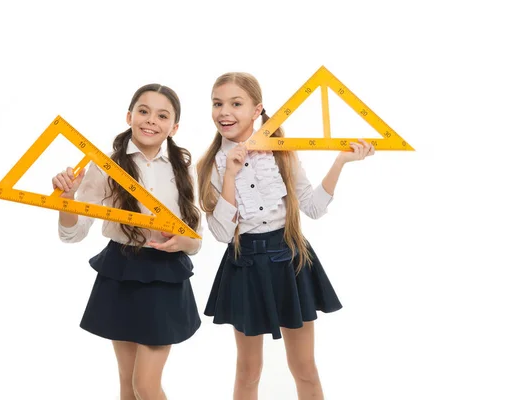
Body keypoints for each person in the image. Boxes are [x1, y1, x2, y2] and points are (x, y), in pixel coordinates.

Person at [196, 72, 374, 399]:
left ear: (257, 110)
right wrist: (231, 176)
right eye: (217, 103)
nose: (224, 111)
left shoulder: (282, 153)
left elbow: (313, 208)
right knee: (248, 371)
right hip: (244, 263)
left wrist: (341, 162)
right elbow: (221, 233)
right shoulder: (211, 164)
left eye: (236, 103)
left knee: (304, 366)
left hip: (290, 260)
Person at [53, 83, 202, 400]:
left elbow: (195, 241)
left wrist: (182, 243)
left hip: (165, 275)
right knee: (127, 385)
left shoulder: (184, 170)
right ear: (129, 116)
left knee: (145, 387)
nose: (151, 120)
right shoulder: (106, 167)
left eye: (162, 116)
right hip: (120, 270)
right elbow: (73, 233)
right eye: (144, 111)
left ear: (174, 127)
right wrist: (66, 200)